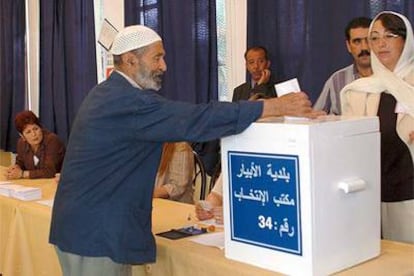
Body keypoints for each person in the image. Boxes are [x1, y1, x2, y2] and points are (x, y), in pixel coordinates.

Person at [49, 25, 322, 276]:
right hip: (96, 236)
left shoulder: (108, 93)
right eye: (157, 58)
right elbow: (196, 119)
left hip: (85, 228)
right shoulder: (126, 100)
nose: (164, 66)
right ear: (131, 60)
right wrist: (273, 107)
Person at [341, 11, 414, 243]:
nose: (381, 43)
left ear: (406, 40)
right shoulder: (360, 89)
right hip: (369, 196)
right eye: (374, 37)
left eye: (389, 35)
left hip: (409, 194)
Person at [314, 17, 373, 115]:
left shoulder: (392, 78)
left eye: (369, 40)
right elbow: (316, 118)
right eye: (357, 41)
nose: (364, 47)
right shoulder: (336, 81)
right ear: (348, 46)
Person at [5, 110, 65, 179]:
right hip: (35, 184)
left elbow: (50, 171)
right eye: (28, 132)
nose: (34, 134)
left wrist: (22, 174)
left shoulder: (52, 140)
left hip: (55, 183)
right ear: (22, 136)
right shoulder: (21, 143)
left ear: (40, 127)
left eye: (35, 129)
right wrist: (15, 168)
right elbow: (20, 162)